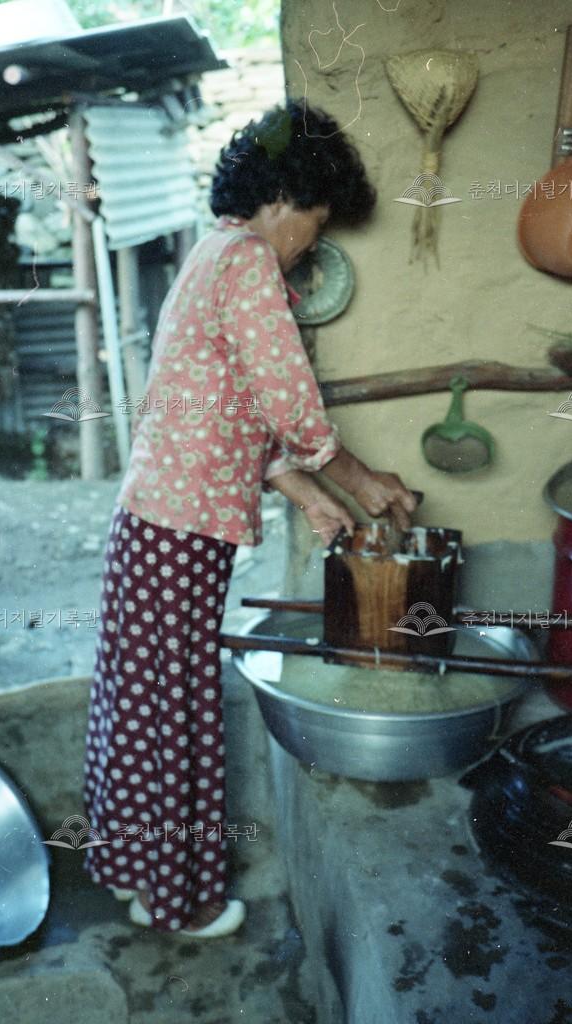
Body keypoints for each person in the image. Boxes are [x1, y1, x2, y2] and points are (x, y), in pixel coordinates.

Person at [82, 100, 418, 938]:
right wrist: (358, 479)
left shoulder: (211, 256)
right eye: (315, 220)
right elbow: (288, 403)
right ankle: (179, 900)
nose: (310, 242)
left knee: (140, 701)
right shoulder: (249, 264)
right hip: (178, 534)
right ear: (281, 198)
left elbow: (232, 412)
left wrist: (309, 493)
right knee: (173, 708)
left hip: (155, 524)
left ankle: (134, 874)